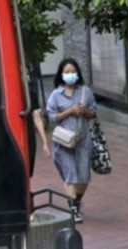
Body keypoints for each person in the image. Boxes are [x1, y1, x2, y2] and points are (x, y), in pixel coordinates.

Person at [46, 58, 97, 223]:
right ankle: (73, 210)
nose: (70, 74)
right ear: (61, 74)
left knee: (83, 177)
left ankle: (76, 200)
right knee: (71, 175)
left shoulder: (85, 92)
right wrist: (70, 111)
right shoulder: (56, 95)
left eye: (73, 71)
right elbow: (52, 117)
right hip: (63, 141)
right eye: (67, 72)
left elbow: (94, 113)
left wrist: (84, 111)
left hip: (82, 139)